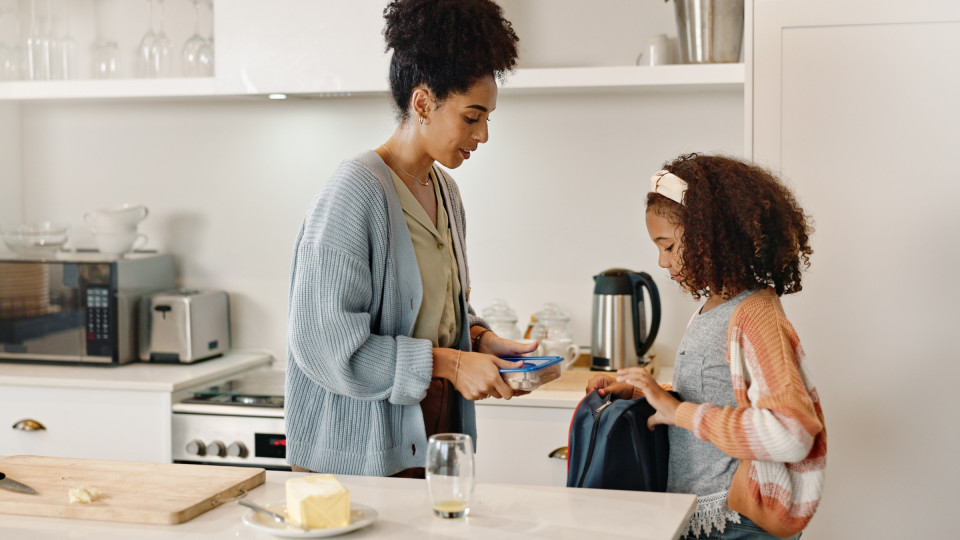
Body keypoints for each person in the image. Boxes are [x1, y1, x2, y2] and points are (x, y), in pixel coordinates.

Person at [284, 0, 536, 478]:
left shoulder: (446, 191)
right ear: (423, 103)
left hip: (430, 440)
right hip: (356, 460)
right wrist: (453, 365)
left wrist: (478, 338)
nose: (483, 134)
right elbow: (326, 343)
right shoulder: (355, 190)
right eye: (471, 116)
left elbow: (432, 305)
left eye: (488, 118)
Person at [587, 154, 827, 539]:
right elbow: (713, 397)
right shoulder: (713, 307)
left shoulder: (754, 315)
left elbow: (791, 432)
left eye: (667, 245)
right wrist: (647, 396)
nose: (662, 262)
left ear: (709, 237)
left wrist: (676, 410)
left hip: (738, 526)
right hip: (705, 516)